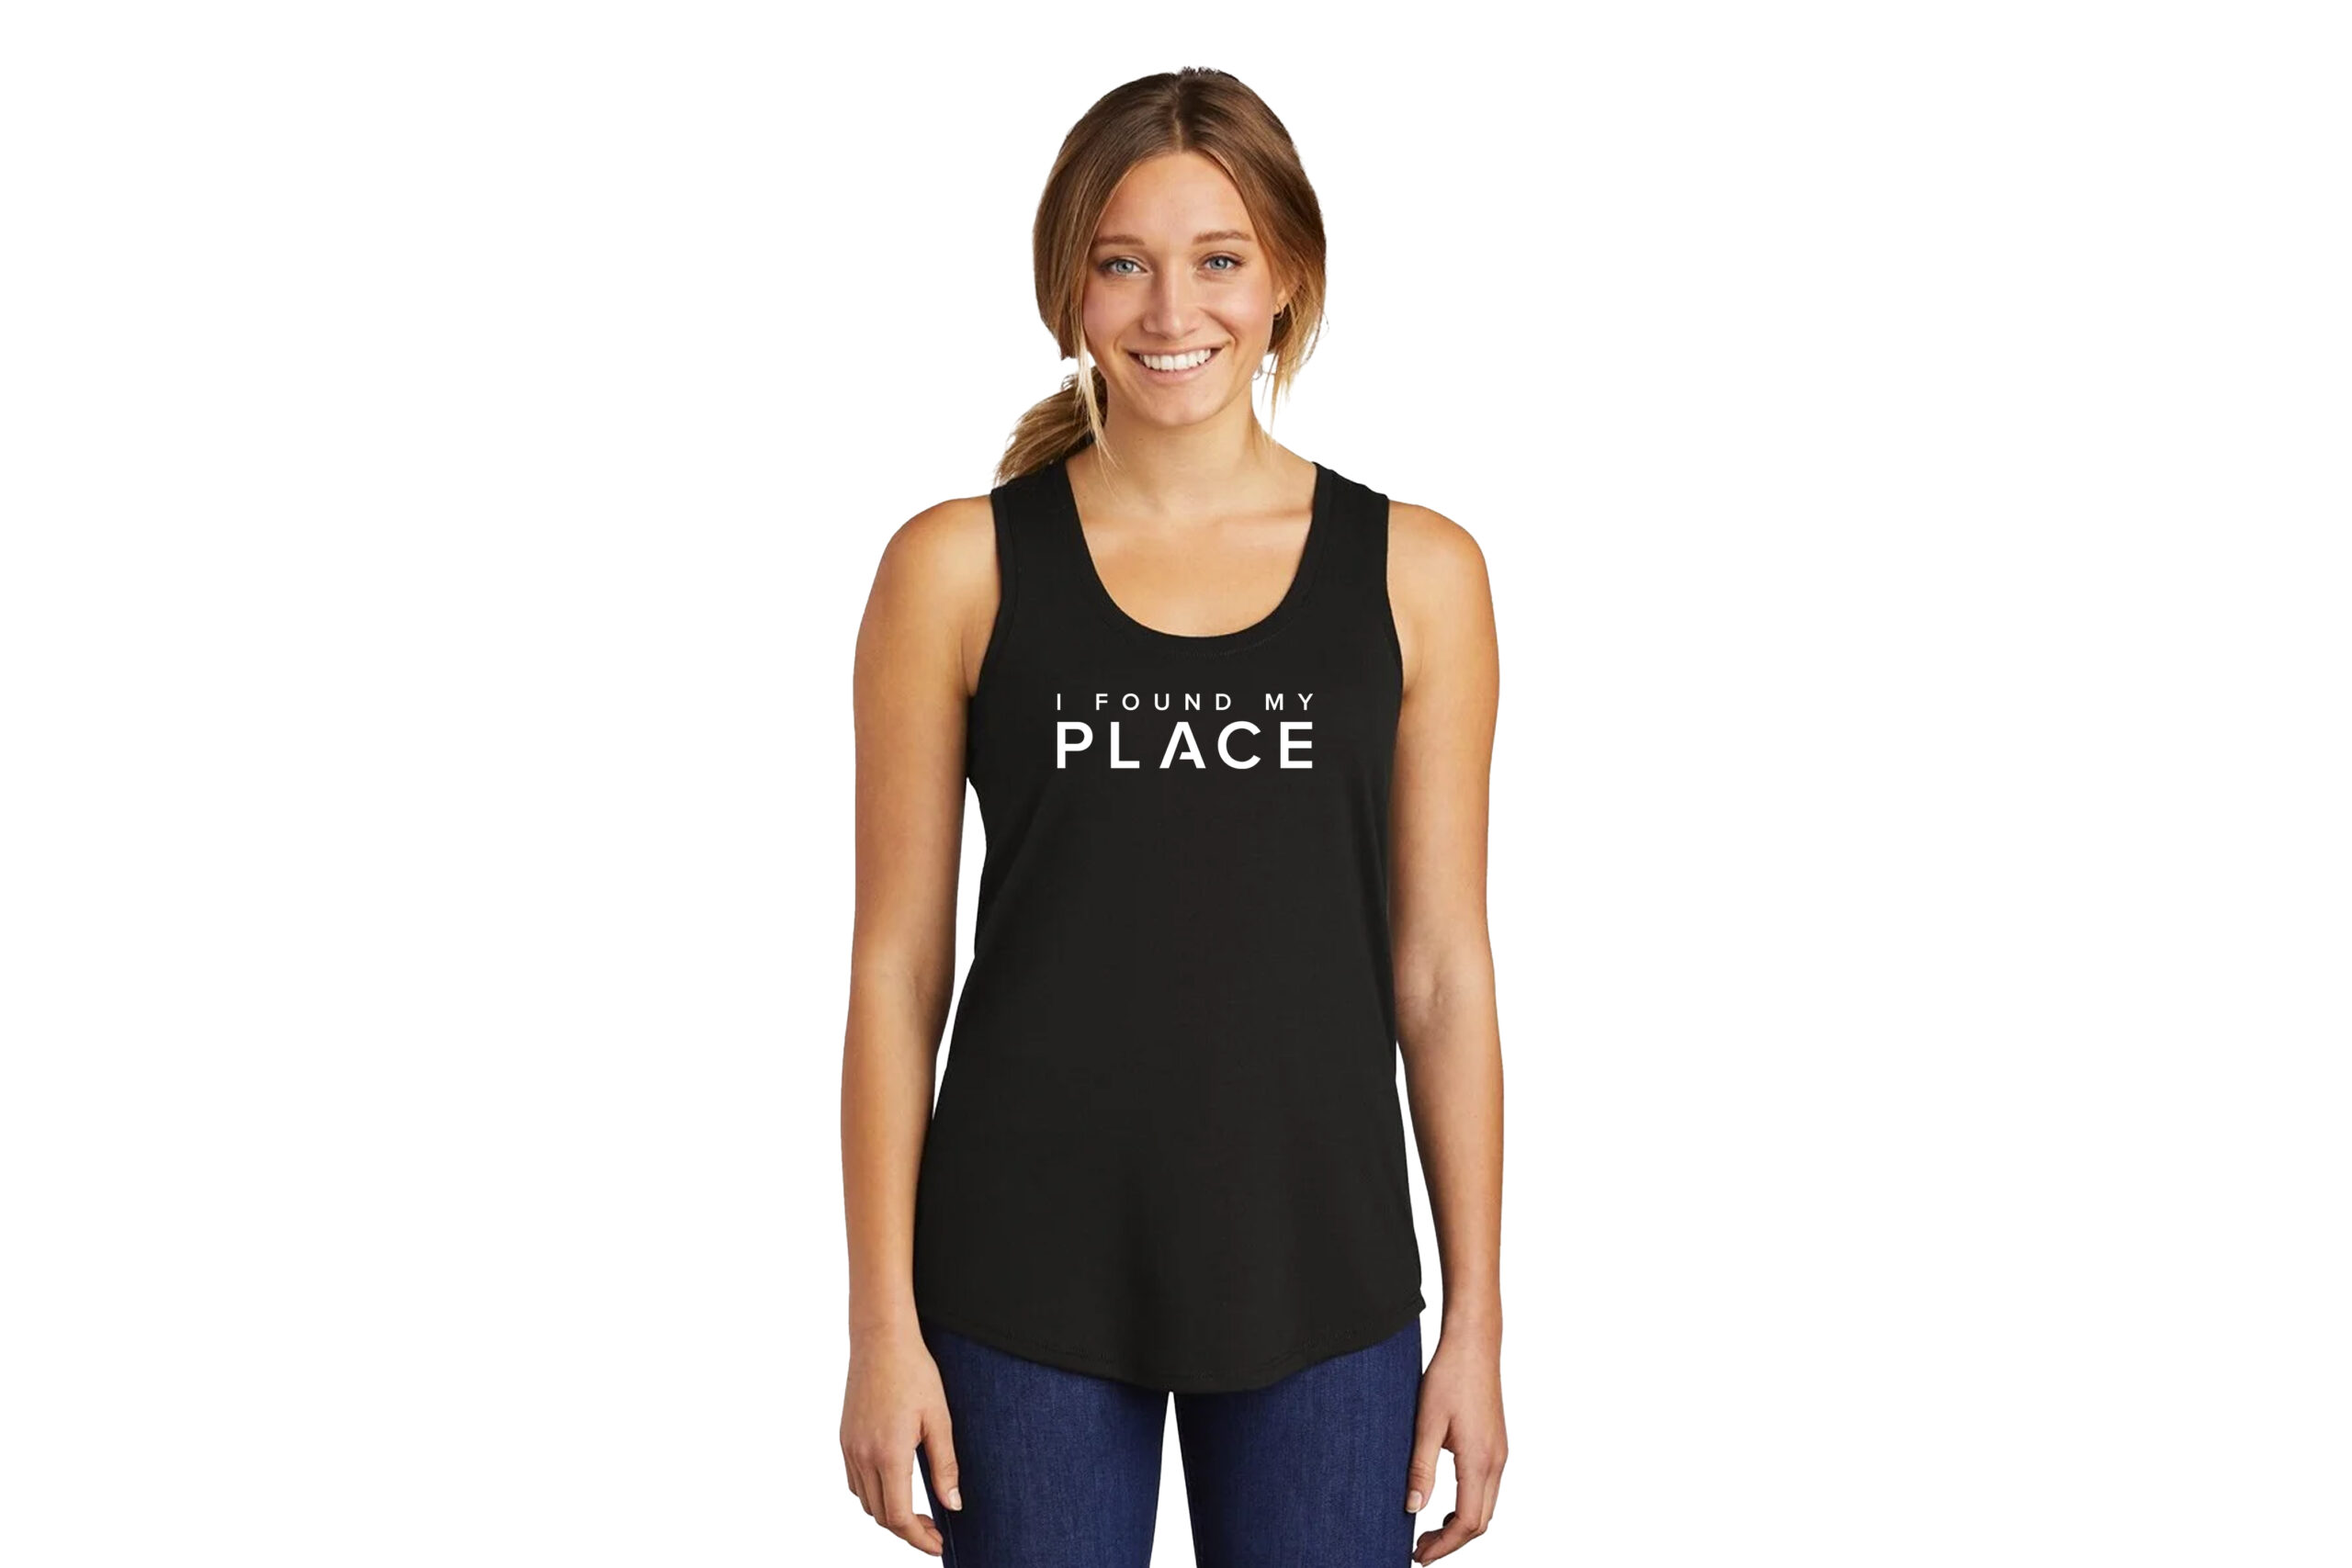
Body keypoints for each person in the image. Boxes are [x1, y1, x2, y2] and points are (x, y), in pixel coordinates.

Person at [839, 67, 1505, 1568]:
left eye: (1217, 259)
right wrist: (883, 1327)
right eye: (1123, 262)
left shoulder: (1420, 575)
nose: (1170, 310)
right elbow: (895, 971)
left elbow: (1443, 974)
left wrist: (1475, 1321)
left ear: (1288, 278)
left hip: (1323, 1279)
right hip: (1019, 1282)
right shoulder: (955, 569)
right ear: (1068, 286)